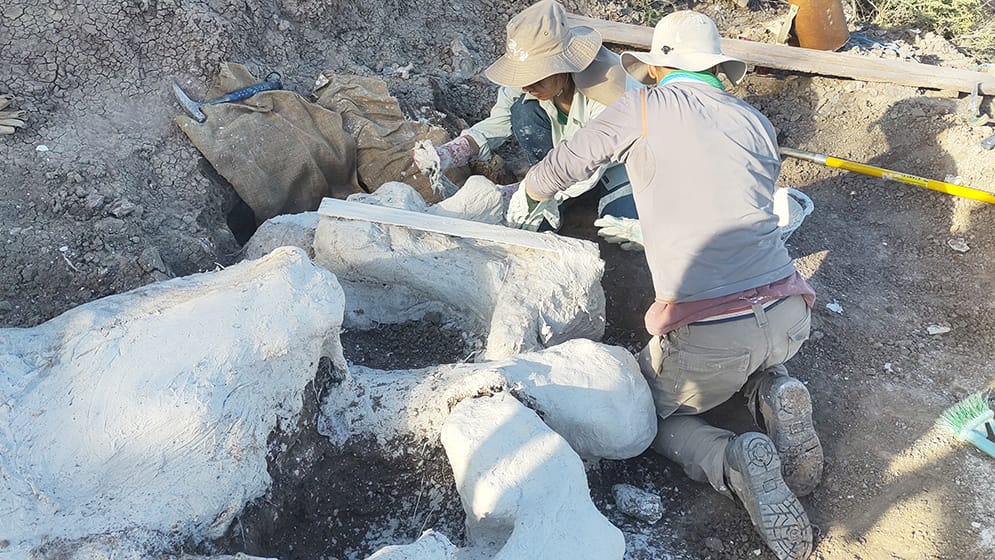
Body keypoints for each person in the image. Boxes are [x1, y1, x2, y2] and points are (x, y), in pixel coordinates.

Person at [520, 10, 822, 560]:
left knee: (645, 415)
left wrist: (525, 194)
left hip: (709, 335)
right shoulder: (755, 119)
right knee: (743, 354)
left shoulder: (641, 106)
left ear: (656, 68)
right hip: (789, 313)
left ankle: (732, 459)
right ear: (715, 68)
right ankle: (774, 390)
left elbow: (559, 168)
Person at [413, 0, 642, 246]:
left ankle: (569, 196)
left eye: (536, 76)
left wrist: (528, 192)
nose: (527, 85)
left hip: (621, 163)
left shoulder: (609, 94)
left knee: (623, 230)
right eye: (524, 76)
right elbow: (499, 120)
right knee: (524, 111)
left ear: (563, 65)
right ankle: (557, 196)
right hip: (567, 159)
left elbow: (589, 162)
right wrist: (456, 149)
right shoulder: (532, 81)